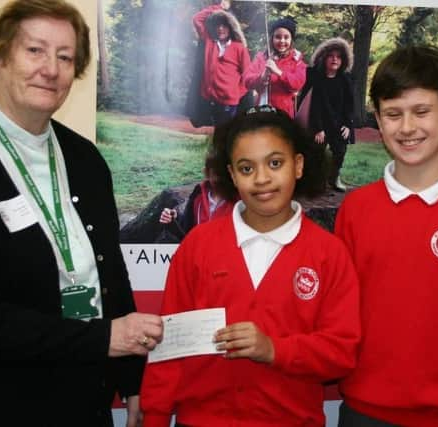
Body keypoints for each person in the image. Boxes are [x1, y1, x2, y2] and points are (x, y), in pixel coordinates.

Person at [0, 1, 163, 426]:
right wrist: (101, 338)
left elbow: (109, 273)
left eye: (64, 57)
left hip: (76, 394)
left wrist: (131, 380)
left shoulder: (84, 159)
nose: (51, 69)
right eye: (35, 51)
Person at [140, 105, 360, 426]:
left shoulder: (328, 253)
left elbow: (341, 353)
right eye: (246, 168)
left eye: (275, 163)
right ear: (231, 175)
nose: (261, 179)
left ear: (298, 165)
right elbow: (170, 349)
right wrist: (156, 415)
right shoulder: (198, 247)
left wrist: (274, 350)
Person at [335, 45, 438, 427]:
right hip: (365, 411)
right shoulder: (355, 210)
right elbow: (337, 313)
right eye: (393, 114)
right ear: (378, 118)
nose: (407, 128)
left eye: (422, 112)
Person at [297, 37, 354, 192]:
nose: (335, 59)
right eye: (331, 56)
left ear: (343, 60)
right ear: (324, 57)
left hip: (338, 124)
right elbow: (312, 105)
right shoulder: (315, 77)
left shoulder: (345, 80)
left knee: (340, 150)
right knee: (316, 152)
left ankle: (335, 177)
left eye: (338, 56)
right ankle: (315, 178)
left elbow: (349, 106)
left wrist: (348, 125)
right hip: (318, 123)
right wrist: (318, 128)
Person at [191, 0, 250, 126]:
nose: (220, 28)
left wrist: (235, 93)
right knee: (214, 131)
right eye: (218, 25)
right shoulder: (210, 42)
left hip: (229, 101)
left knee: (226, 131)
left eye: (224, 25)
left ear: (230, 27)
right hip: (209, 99)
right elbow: (197, 19)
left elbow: (247, 76)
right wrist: (219, 7)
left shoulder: (239, 47)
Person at [159, 146, 235, 240]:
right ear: (207, 173)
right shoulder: (198, 195)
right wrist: (174, 217)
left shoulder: (239, 200)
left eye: (223, 174)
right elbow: (187, 228)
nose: (220, 179)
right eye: (216, 173)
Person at [243, 17, 307, 118]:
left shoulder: (297, 60)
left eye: (286, 37)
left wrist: (278, 72)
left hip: (283, 113)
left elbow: (297, 84)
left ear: (291, 40)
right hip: (261, 110)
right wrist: (262, 77)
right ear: (272, 38)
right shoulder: (262, 57)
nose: (282, 41)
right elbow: (246, 80)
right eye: (278, 37)